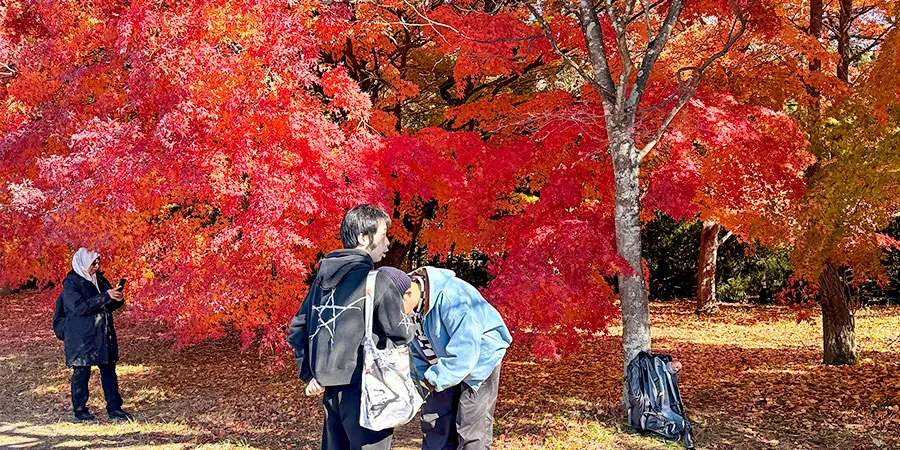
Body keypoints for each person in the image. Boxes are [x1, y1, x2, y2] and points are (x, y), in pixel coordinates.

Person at [287, 204, 415, 450]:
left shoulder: (320, 283)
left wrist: (310, 374)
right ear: (363, 238)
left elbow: (298, 329)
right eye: (383, 235)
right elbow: (402, 333)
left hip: (329, 391)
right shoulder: (379, 281)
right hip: (367, 391)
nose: (388, 243)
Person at [407, 266, 513, 450]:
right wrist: (420, 381)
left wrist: (430, 382)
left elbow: (465, 353)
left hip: (480, 359)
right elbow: (417, 351)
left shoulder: (452, 298)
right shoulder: (408, 307)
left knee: (470, 427)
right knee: (435, 421)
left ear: (408, 293)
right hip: (442, 362)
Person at [61, 247, 132, 422]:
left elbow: (108, 305)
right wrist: (105, 296)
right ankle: (80, 410)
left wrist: (116, 299)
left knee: (109, 370)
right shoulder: (71, 283)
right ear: (84, 262)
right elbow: (78, 308)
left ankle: (115, 408)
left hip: (103, 332)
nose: (97, 266)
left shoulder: (100, 279)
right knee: (82, 372)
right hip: (81, 336)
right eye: (94, 263)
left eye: (99, 262)